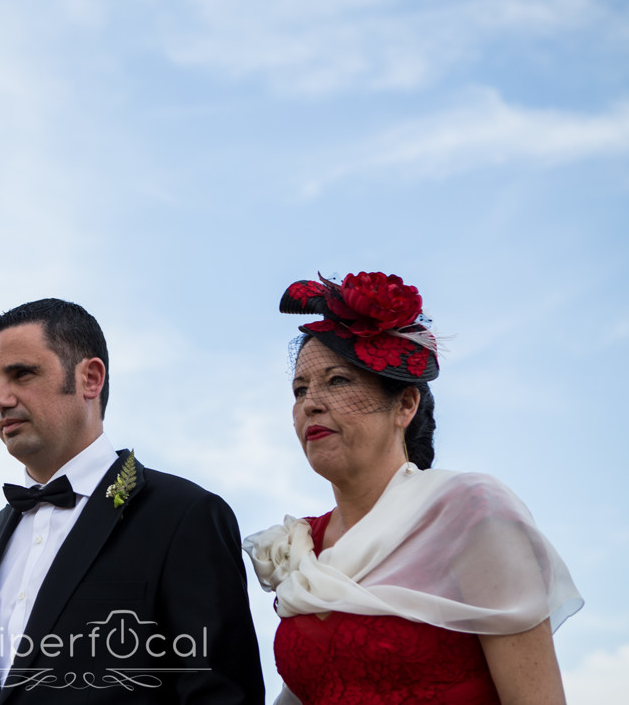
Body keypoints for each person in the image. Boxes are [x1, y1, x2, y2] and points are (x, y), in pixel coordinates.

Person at [244, 272, 583, 705]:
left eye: (338, 381)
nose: (310, 403)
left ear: (405, 405)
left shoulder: (469, 514)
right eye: (299, 389)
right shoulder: (305, 546)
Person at [0, 298, 265, 705]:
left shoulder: (183, 515)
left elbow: (221, 696)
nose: (0, 399)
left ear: (90, 378)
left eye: (22, 374)